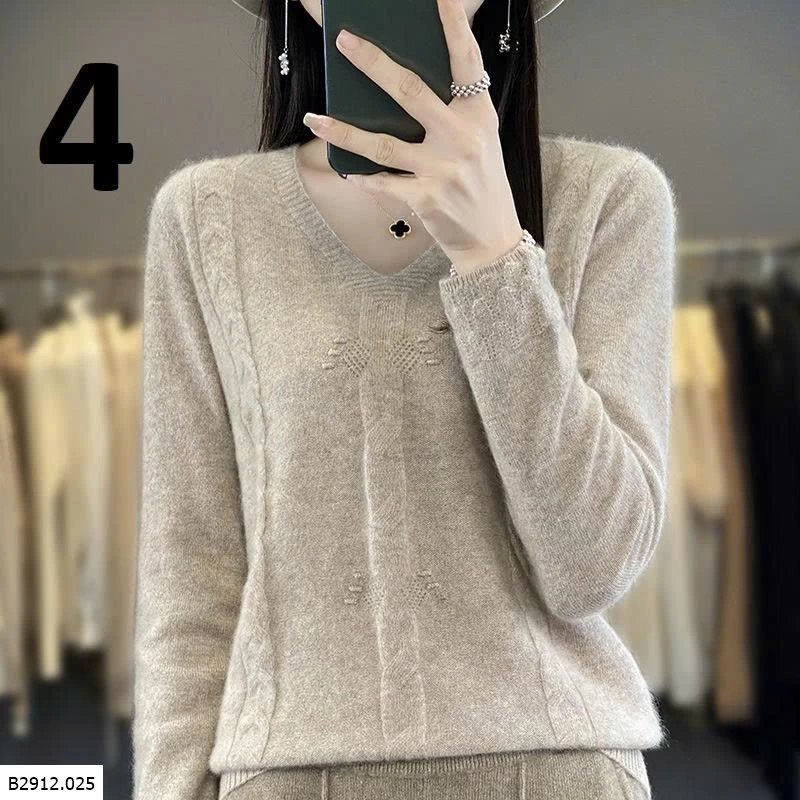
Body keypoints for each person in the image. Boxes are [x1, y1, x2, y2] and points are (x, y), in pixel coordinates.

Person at [132, 0, 677, 797]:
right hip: (287, 778)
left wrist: (494, 255)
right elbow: (190, 578)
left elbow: (592, 568)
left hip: (560, 773)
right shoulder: (205, 219)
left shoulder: (610, 199)